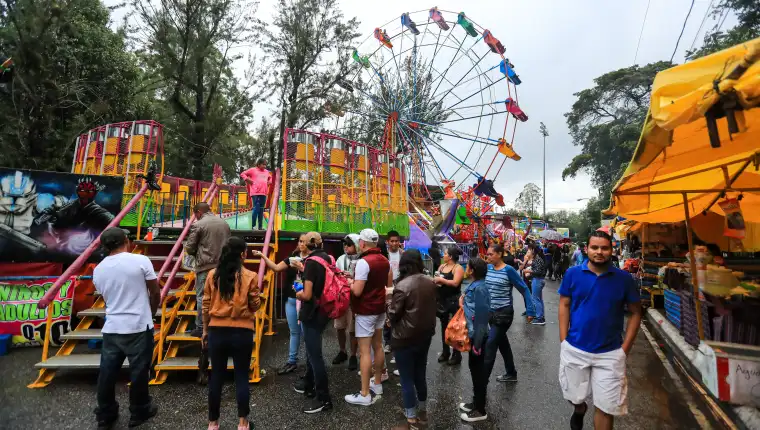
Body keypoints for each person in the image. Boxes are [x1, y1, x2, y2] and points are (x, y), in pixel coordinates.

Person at [559, 231, 642, 430]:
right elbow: (564, 304)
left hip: (610, 354)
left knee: (606, 408)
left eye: (604, 248)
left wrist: (624, 350)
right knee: (574, 397)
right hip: (575, 348)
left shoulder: (624, 279)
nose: (599, 252)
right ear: (586, 249)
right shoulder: (572, 274)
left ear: (611, 250)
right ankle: (579, 409)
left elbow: (636, 313)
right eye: (594, 247)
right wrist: (563, 340)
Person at [92, 227, 159, 429]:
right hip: (139, 325)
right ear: (126, 241)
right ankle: (139, 411)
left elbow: (105, 296)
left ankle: (105, 414)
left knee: (107, 373)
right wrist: (151, 312)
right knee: (139, 372)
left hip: (112, 326)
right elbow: (155, 292)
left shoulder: (98, 269)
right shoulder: (140, 261)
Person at [202, 237, 261, 430]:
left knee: (216, 377)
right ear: (243, 254)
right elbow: (255, 305)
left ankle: (213, 423)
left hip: (216, 330)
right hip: (242, 332)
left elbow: (205, 305)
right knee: (241, 376)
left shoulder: (212, 275)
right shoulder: (250, 276)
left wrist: (205, 330)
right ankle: (243, 423)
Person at [388, 249, 437, 430]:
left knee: (407, 378)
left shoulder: (402, 286)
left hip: (404, 337)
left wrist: (388, 300)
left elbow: (393, 314)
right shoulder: (430, 282)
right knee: (420, 374)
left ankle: (410, 419)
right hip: (425, 335)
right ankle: (422, 412)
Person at [345, 228, 390, 406]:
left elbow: (357, 291)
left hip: (365, 310)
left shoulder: (364, 262)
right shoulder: (384, 260)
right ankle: (377, 384)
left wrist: (350, 282)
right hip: (380, 308)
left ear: (362, 243)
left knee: (364, 352)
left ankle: (364, 394)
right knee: (378, 346)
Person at [252, 234, 308, 375]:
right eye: (300, 241)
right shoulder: (292, 258)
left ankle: (310, 363)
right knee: (294, 332)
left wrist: (302, 268)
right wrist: (263, 256)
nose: (301, 244)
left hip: (306, 302)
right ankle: (292, 361)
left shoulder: (313, 260)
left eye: (304, 242)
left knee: (307, 333)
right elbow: (276, 268)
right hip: (291, 299)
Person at [292, 232, 334, 413]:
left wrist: (297, 292)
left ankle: (324, 398)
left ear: (308, 244)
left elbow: (307, 294)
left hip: (311, 313)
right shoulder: (327, 258)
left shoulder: (310, 262)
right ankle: (309, 384)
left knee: (315, 356)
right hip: (324, 309)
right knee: (312, 352)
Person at [484, 244, 529, 384]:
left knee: (490, 344)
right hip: (490, 313)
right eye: (487, 254)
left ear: (499, 254)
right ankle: (511, 373)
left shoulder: (509, 270)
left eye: (491, 254)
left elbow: (524, 289)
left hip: (504, 314)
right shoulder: (488, 268)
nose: (488, 257)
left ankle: (481, 382)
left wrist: (531, 310)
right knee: (503, 344)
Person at [186, 202, 231, 338]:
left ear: (198, 212)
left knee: (202, 297)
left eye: (195, 215)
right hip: (223, 266)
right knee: (222, 295)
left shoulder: (198, 225)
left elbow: (190, 247)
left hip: (205, 266)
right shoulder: (224, 223)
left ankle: (201, 327)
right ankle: (222, 325)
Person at [458, 257, 491, 423]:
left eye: (468, 267)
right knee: (474, 370)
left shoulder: (480, 289)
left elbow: (482, 318)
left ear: (472, 270)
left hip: (478, 337)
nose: (466, 269)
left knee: (479, 374)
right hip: (474, 335)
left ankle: (480, 410)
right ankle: (476, 402)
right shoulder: (475, 285)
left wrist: (477, 343)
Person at [333, 234, 361, 370]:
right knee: (339, 326)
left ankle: (353, 355)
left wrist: (353, 277)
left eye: (349, 244)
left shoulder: (362, 260)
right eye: (344, 244)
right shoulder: (340, 259)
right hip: (340, 298)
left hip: (354, 299)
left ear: (356, 246)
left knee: (352, 329)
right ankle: (342, 351)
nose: (346, 247)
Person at [433, 246, 465, 365]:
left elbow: (455, 283)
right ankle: (445, 352)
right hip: (442, 301)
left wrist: (442, 281)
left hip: (454, 301)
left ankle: (457, 355)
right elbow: (437, 277)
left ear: (450, 256)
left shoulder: (458, 268)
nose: (443, 255)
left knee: (455, 329)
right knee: (444, 327)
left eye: (445, 253)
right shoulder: (442, 266)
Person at [240, 158, 272, 230]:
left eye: (265, 165)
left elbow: (270, 178)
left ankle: (260, 227)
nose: (265, 166)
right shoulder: (253, 170)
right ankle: (253, 226)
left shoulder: (266, 172)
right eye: (263, 164)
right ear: (258, 164)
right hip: (255, 193)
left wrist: (269, 181)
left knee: (261, 210)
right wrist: (247, 180)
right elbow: (242, 174)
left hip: (263, 193)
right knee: (256, 209)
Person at [384, 230, 403, 351]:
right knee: (388, 312)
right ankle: (388, 342)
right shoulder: (384, 254)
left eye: (396, 241)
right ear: (387, 242)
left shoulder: (403, 254)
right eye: (392, 241)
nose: (394, 243)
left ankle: (398, 342)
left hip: (400, 285)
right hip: (387, 286)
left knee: (399, 313)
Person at [525, 242, 548, 326]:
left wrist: (528, 271)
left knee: (535, 299)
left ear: (533, 250)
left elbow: (538, 271)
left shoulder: (537, 259)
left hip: (538, 280)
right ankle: (541, 317)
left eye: (529, 250)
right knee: (539, 299)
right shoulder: (537, 258)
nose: (528, 251)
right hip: (538, 280)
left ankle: (539, 318)